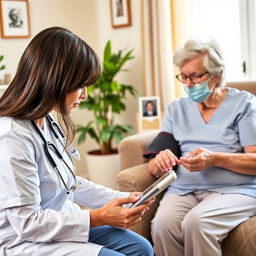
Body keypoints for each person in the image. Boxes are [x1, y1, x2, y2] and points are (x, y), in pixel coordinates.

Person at [0, 27, 154, 256]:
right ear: (55, 80)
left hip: (61, 221)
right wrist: (97, 216)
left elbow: (70, 182)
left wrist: (122, 198)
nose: (85, 95)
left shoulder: (45, 121)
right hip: (25, 240)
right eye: (81, 85)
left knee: (141, 247)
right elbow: (28, 224)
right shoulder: (13, 136)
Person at [143, 39, 256, 256]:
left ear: (218, 74)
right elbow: (154, 167)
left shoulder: (244, 104)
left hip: (236, 190)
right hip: (184, 189)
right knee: (162, 226)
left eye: (195, 76)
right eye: (183, 76)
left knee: (197, 223)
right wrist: (159, 161)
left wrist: (214, 159)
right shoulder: (176, 109)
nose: (188, 83)